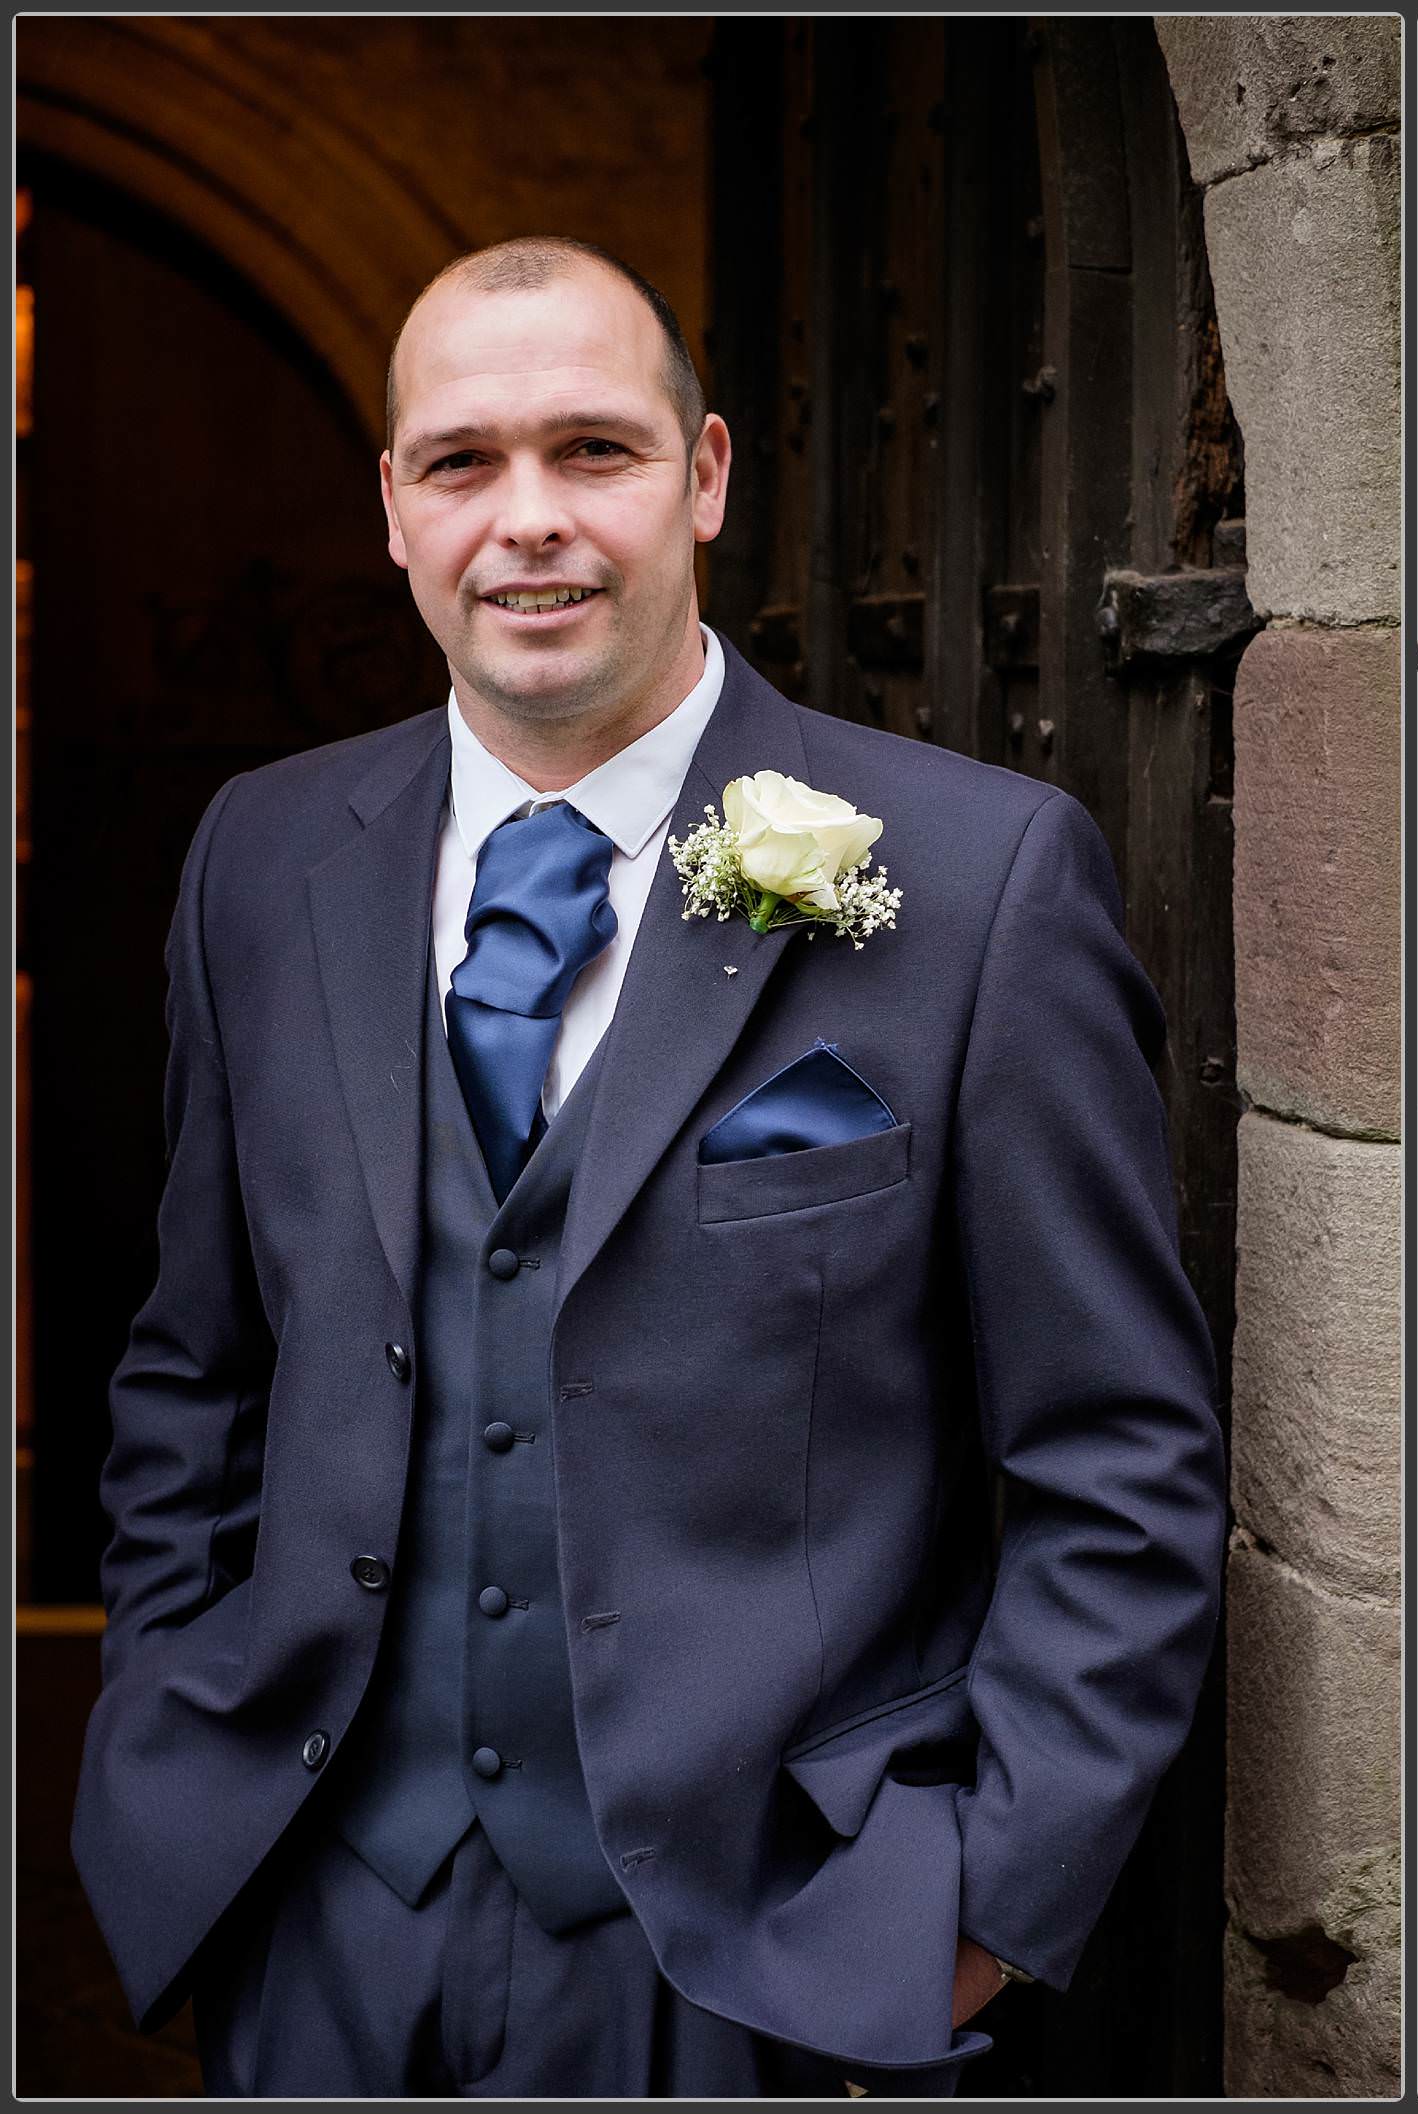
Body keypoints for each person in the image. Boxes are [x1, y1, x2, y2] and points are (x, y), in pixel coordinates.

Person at [71, 236, 1227, 2097]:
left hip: (770, 1945)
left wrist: (971, 1911)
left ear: (699, 475)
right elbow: (194, 1366)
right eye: (462, 463)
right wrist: (172, 1728)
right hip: (320, 1921)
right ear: (391, 509)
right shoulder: (261, 858)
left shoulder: (979, 875)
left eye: (591, 451)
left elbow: (1119, 1455)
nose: (525, 521)